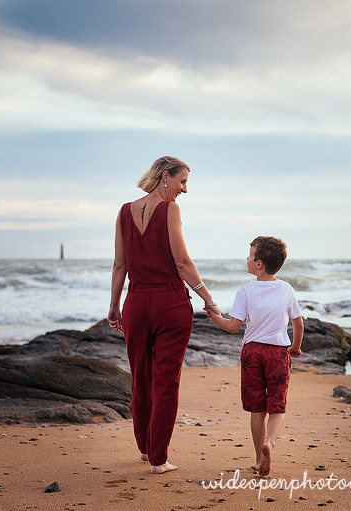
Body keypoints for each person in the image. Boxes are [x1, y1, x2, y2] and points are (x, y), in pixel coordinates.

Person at [108, 156, 219, 474]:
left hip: (136, 303)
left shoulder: (124, 212)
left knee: (140, 379)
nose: (185, 190)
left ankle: (145, 448)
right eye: (182, 182)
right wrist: (208, 299)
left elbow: (119, 265)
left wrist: (115, 306)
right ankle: (158, 460)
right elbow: (182, 261)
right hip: (169, 303)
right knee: (166, 382)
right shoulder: (170, 210)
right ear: (165, 177)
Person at [205, 236, 304, 477]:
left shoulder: (246, 291)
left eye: (250, 256)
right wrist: (295, 348)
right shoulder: (286, 289)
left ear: (258, 264)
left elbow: (232, 326)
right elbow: (298, 323)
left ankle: (259, 459)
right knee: (277, 405)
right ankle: (270, 441)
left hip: (252, 352)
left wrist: (213, 316)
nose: (247, 259)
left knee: (256, 408)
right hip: (279, 352)